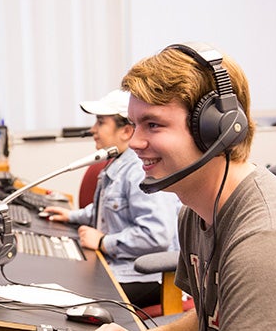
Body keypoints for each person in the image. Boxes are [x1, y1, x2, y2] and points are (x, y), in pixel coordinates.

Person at [0, 42, 276, 331]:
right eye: (133, 124)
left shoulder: (264, 239)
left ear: (215, 130)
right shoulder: (194, 213)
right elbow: (212, 318)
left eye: (154, 125)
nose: (136, 142)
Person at [44, 89, 180, 308]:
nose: (93, 130)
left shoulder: (139, 170)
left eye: (100, 123)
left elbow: (156, 235)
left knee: (74, 298)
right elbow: (109, 211)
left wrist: (102, 242)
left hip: (146, 276)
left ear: (126, 131)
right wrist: (72, 215)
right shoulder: (118, 163)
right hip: (120, 266)